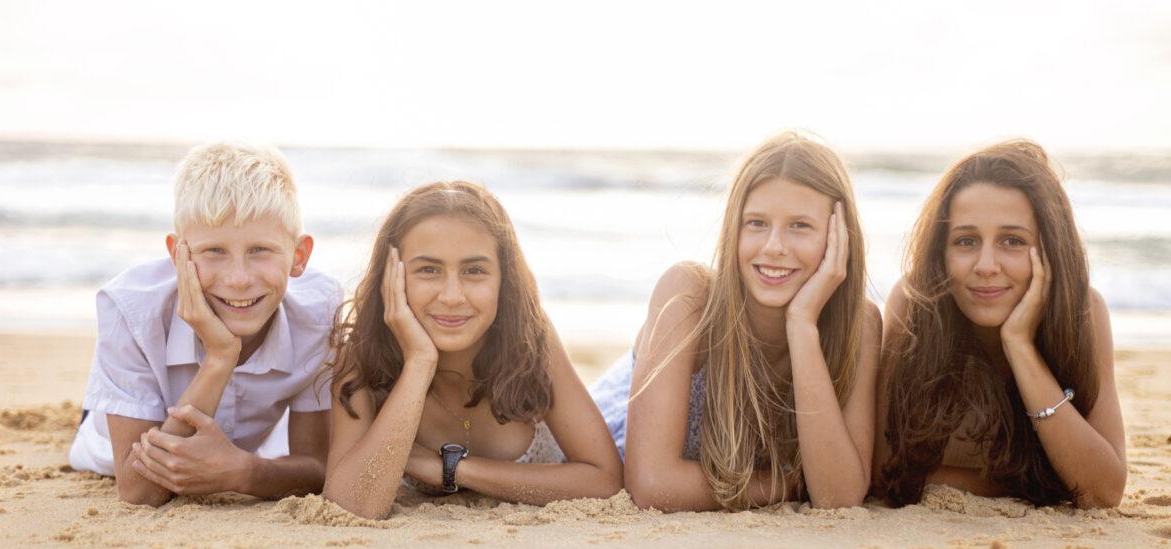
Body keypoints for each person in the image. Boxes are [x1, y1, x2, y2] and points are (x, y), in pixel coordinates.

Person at [592, 132, 881, 511]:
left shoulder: (859, 325)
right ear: (733, 229)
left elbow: (839, 497)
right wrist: (797, 487)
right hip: (610, 439)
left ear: (839, 236)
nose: (774, 246)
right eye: (757, 223)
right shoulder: (690, 295)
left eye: (800, 226)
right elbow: (652, 485)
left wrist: (802, 326)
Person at [323, 181, 621, 519]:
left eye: (474, 271)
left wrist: (451, 470)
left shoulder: (531, 338)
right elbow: (349, 507)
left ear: (503, 280)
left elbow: (604, 480)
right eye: (429, 270)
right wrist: (419, 362)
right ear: (392, 276)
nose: (452, 296)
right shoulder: (362, 356)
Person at [68, 141, 342, 506]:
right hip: (111, 437)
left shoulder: (321, 311)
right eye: (214, 251)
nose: (239, 279)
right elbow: (140, 491)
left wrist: (243, 471)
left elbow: (316, 467)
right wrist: (220, 356)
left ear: (299, 256)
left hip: (244, 442)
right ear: (176, 254)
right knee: (109, 425)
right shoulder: (130, 309)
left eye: (260, 250)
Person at [875, 140, 1126, 508]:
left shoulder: (1084, 312)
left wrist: (1020, 347)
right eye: (965, 241)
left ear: (1050, 246)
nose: (986, 265)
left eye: (1012, 240)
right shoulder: (914, 306)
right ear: (941, 251)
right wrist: (1039, 484)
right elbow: (884, 472)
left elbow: (1104, 492)